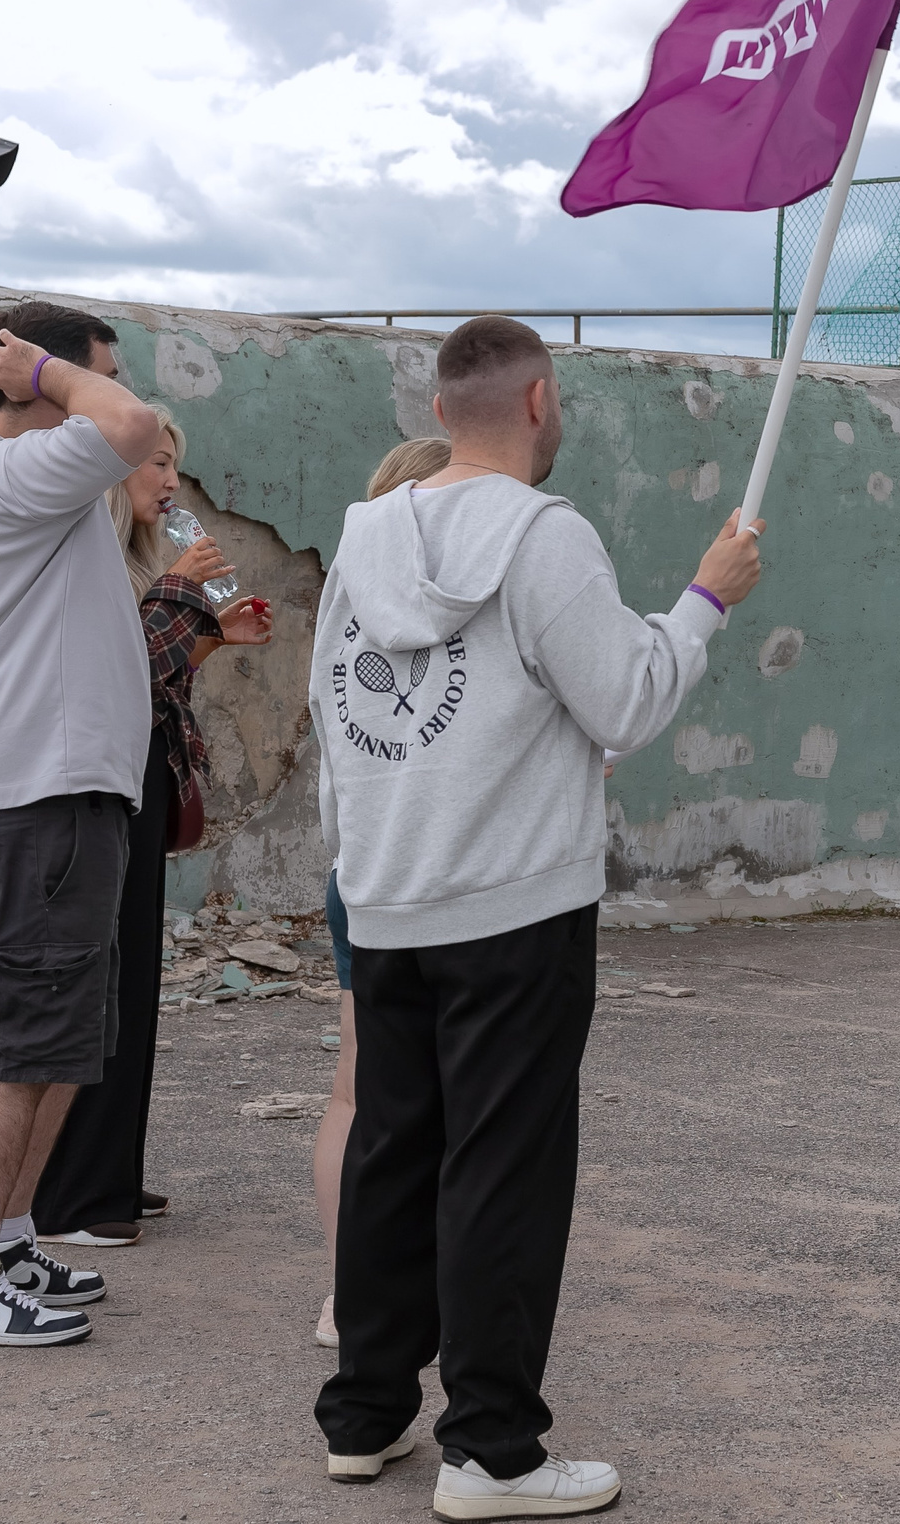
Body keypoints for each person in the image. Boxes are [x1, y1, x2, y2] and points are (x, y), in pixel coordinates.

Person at [311, 318, 764, 1516]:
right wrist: (705, 601)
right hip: (513, 902)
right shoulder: (544, 535)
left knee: (392, 1155)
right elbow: (626, 696)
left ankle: (363, 1416)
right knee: (503, 1169)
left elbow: (341, 719)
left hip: (392, 888)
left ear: (442, 405)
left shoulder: (363, 540)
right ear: (540, 400)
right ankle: (492, 1451)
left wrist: (358, 867)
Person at [0, 301, 165, 1346]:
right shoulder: (19, 473)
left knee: (58, 1041)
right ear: (34, 386)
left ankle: (4, 1243)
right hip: (34, 799)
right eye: (90, 377)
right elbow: (133, 428)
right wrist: (50, 369)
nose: (106, 394)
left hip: (23, 791)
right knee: (20, 1048)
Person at [33, 405, 275, 1249]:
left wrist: (212, 637)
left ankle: (109, 1179)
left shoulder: (135, 565)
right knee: (98, 984)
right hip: (90, 790)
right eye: (156, 464)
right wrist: (181, 591)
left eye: (175, 466)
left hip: (130, 783)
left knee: (132, 983)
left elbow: (150, 690)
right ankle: (70, 1197)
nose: (171, 483)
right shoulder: (89, 559)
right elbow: (109, 675)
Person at [313, 435, 454, 1349]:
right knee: (447, 1101)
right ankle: (409, 1289)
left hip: (356, 868)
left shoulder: (342, 607)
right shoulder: (460, 608)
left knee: (357, 1092)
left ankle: (346, 1294)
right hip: (442, 878)